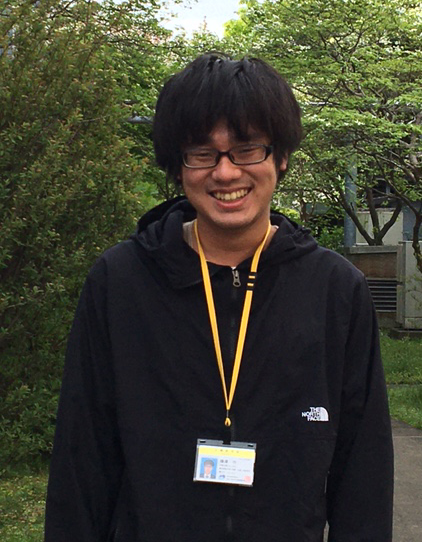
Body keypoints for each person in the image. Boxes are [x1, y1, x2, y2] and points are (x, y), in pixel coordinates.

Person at [45, 53, 393, 541]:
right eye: (203, 154)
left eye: (247, 150)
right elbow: (82, 457)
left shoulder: (334, 288)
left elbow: (363, 467)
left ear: (281, 157)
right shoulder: (121, 282)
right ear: (178, 166)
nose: (226, 173)